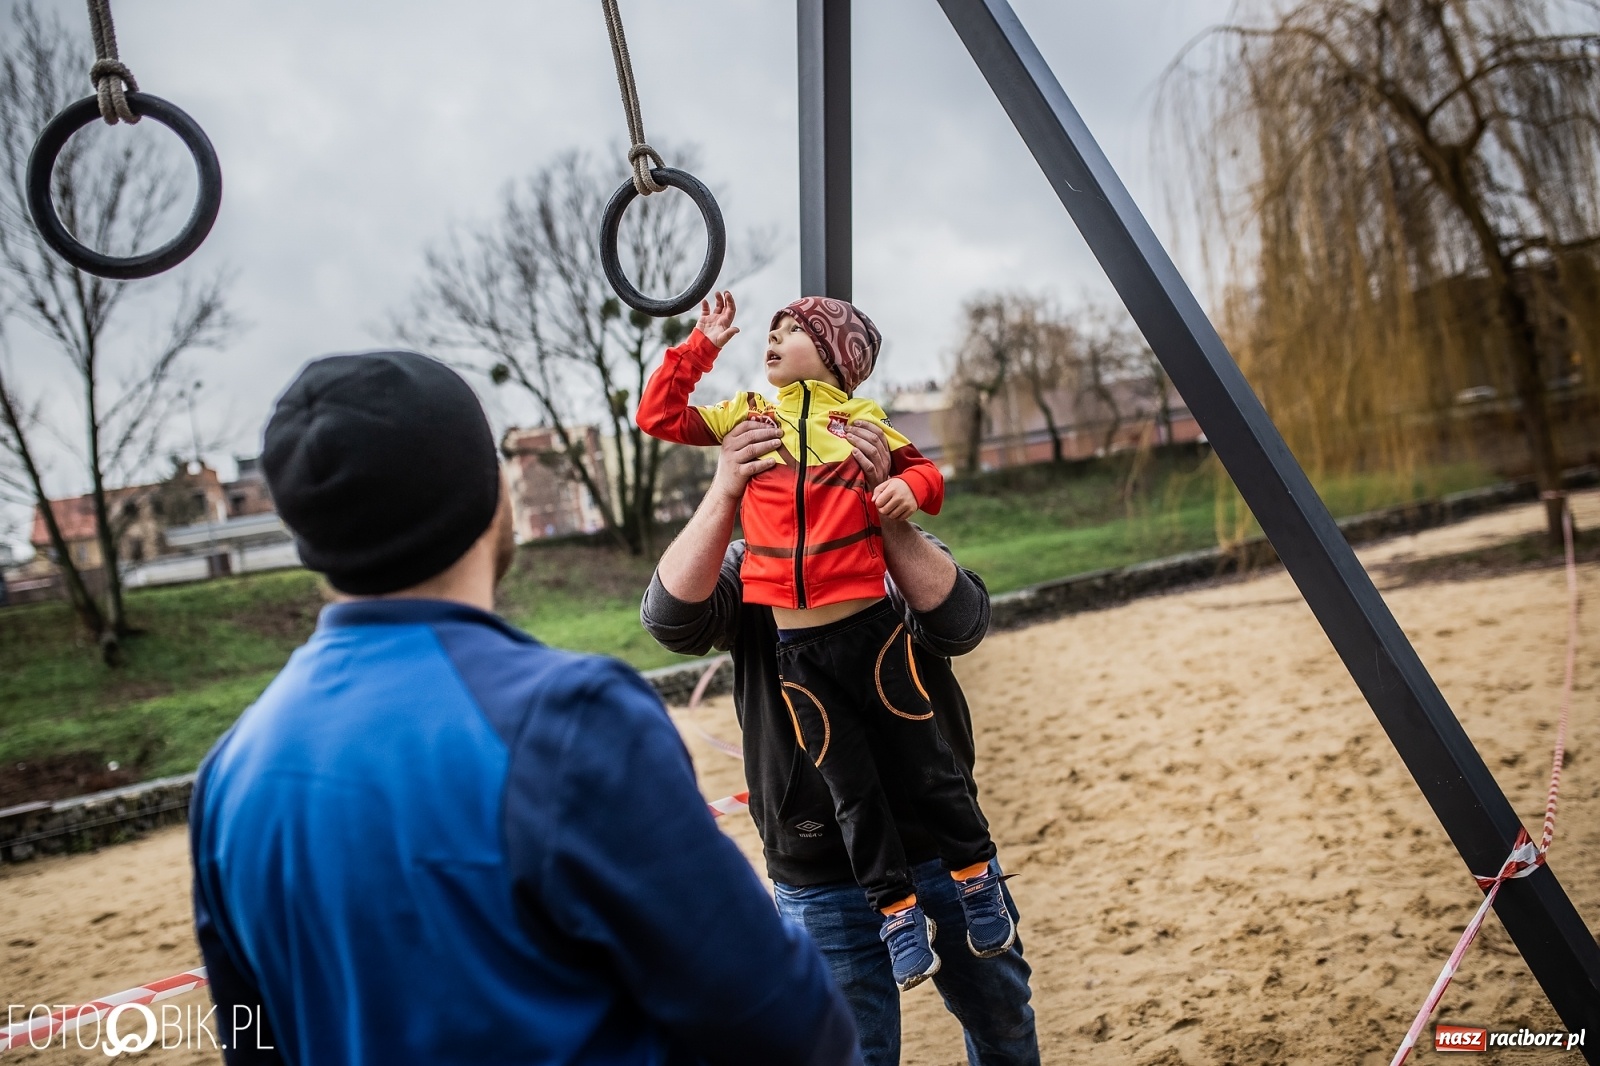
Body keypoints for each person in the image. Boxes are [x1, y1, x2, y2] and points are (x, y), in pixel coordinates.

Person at [188, 350, 862, 1066]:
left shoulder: (228, 776)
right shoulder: (571, 720)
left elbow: (253, 1043)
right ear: (490, 494)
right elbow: (785, 1026)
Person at [639, 399, 1041, 1063]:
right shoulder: (751, 565)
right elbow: (669, 620)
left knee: (1004, 1028)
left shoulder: (886, 536)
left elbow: (962, 623)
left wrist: (883, 521)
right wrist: (724, 487)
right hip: (819, 868)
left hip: (945, 848)